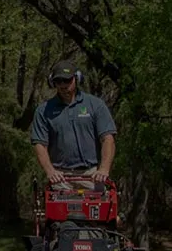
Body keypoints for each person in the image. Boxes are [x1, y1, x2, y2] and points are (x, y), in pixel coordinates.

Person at [29, 60, 116, 190]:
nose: (63, 85)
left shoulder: (95, 105)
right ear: (53, 82)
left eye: (67, 80)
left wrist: (103, 169)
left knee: (97, 209)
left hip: (91, 175)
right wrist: (50, 171)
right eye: (59, 81)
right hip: (61, 178)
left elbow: (107, 138)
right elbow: (40, 144)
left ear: (77, 78)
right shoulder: (44, 111)